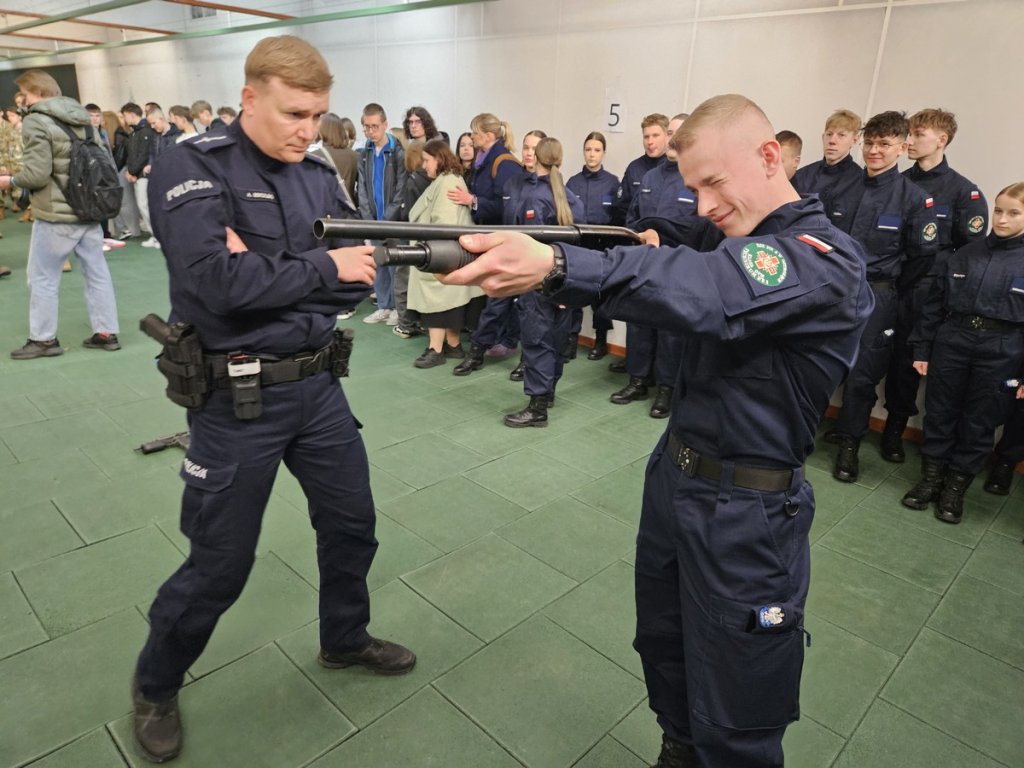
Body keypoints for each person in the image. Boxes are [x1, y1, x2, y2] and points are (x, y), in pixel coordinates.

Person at [440, 93, 873, 768]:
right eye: (691, 187)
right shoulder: (728, 239)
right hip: (677, 480)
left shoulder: (824, 258)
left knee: (737, 709)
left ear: (767, 157)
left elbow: (708, 290)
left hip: (748, 513)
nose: (701, 205)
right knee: (665, 648)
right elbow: (670, 256)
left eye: (711, 184)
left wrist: (555, 267)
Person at [130, 36, 415, 764]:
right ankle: (156, 681)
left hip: (318, 387)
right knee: (221, 563)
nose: (307, 130)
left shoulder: (317, 171)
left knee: (353, 525)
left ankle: (344, 640)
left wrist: (270, 270)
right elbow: (212, 289)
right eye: (294, 113)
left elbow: (361, 276)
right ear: (250, 97)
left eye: (318, 116)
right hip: (236, 400)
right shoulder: (191, 164)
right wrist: (317, 267)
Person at [827, 111, 938, 483]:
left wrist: (889, 289)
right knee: (820, 364)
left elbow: (922, 259)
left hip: (879, 295)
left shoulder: (914, 199)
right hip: (834, 292)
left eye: (885, 144)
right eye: (871, 142)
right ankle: (804, 432)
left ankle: (848, 445)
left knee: (861, 377)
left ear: (902, 147)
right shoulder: (840, 190)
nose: (875, 150)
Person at [903, 183, 1024, 523]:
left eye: (1013, 213)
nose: (1001, 218)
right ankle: (929, 481)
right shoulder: (966, 253)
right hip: (954, 339)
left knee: (980, 421)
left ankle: (955, 490)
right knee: (939, 412)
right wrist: (923, 348)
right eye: (999, 210)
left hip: (1003, 347)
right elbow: (934, 306)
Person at [878, 108, 989, 463]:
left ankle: (894, 431)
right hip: (889, 281)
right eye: (907, 134)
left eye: (918, 134)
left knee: (908, 360)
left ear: (941, 140)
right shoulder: (896, 183)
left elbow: (969, 254)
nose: (908, 141)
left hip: (925, 291)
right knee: (876, 352)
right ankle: (853, 419)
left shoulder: (962, 192)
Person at [1, 70, 121, 359]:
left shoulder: (36, 122)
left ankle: (43, 340)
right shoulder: (84, 119)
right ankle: (106, 333)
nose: (24, 103)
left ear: (40, 94)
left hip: (56, 215)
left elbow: (37, 174)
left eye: (26, 97)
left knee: (42, 277)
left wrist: (11, 181)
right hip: (90, 210)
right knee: (97, 273)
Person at [614, 113, 695, 419]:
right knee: (639, 324)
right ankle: (637, 379)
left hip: (678, 267)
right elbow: (633, 218)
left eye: (677, 133)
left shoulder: (695, 178)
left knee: (670, 332)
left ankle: (666, 389)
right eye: (669, 132)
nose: (672, 139)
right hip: (645, 264)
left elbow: (702, 227)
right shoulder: (649, 178)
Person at [502, 136, 584, 427]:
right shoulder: (570, 196)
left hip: (538, 282)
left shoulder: (535, 197)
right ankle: (547, 394)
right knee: (557, 341)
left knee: (537, 341)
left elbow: (528, 245)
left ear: (536, 156)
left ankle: (537, 408)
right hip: (567, 281)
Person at [448, 112, 522, 375]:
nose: (471, 138)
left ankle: (478, 350)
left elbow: (507, 207)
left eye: (475, 133)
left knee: (498, 296)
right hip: (493, 238)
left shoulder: (504, 165)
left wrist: (473, 202)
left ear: (488, 136)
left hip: (503, 239)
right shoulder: (487, 161)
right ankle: (505, 341)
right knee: (502, 297)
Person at [406, 138, 485, 368]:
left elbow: (444, 224)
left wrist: (429, 253)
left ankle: (436, 349)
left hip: (440, 253)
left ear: (438, 159)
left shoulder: (448, 182)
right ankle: (452, 345)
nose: (424, 166)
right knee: (450, 300)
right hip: (447, 252)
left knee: (438, 301)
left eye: (427, 160)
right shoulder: (447, 180)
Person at [566, 131, 619, 360]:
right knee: (574, 291)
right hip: (579, 244)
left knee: (601, 295)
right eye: (588, 149)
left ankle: (600, 341)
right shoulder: (573, 182)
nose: (592, 154)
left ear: (603, 153)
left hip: (602, 246)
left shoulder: (612, 182)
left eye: (597, 150)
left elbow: (617, 216)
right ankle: (571, 339)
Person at [357, 102, 407, 325]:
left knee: (396, 264)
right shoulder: (364, 153)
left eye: (374, 126)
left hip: (393, 221)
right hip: (373, 219)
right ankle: (384, 306)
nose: (370, 131)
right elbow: (363, 188)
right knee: (378, 263)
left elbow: (401, 188)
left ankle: (397, 308)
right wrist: (368, 218)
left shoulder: (398, 153)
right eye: (366, 127)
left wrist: (388, 218)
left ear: (385, 125)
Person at [791, 109, 862, 208]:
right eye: (829, 134)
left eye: (841, 135)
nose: (832, 141)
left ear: (854, 140)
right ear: (823, 137)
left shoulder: (860, 181)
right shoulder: (802, 175)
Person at [612, 113, 669, 226]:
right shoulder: (634, 168)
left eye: (655, 136)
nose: (650, 142)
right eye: (646, 137)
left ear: (667, 136)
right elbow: (622, 209)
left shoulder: (676, 169)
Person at [120, 102, 157, 246]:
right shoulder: (135, 132)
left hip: (144, 175)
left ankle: (157, 236)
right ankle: (155, 235)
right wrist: (130, 171)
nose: (124, 119)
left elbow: (143, 154)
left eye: (124, 116)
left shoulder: (145, 130)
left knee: (144, 205)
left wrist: (132, 171)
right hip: (137, 174)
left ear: (131, 114)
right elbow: (132, 154)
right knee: (143, 206)